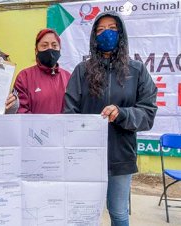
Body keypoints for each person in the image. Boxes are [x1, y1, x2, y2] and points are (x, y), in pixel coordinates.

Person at [63, 11, 157, 226]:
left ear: (122, 34)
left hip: (121, 156)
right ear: (94, 36)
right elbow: (69, 112)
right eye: (101, 29)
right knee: (84, 214)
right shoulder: (81, 71)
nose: (107, 33)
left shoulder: (137, 70)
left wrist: (122, 113)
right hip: (85, 157)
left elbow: (147, 113)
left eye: (113, 28)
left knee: (119, 213)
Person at [14, 28, 71, 113]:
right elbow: (21, 110)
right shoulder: (24, 77)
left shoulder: (68, 77)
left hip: (64, 126)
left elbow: (74, 109)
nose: (50, 49)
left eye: (54, 45)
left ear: (60, 49)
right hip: (32, 126)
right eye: (44, 46)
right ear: (36, 50)